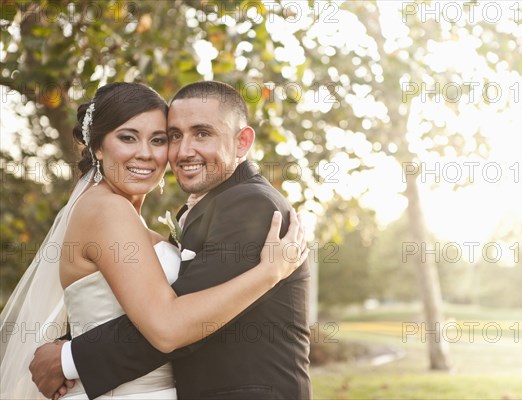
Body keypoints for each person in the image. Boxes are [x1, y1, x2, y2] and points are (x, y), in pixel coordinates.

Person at [0, 82, 308, 399]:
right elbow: (167, 326)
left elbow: (147, 316)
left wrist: (70, 357)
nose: (146, 153)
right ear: (98, 147)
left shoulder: (242, 205)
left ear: (242, 142)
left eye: (159, 139)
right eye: (127, 137)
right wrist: (268, 273)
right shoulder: (107, 209)